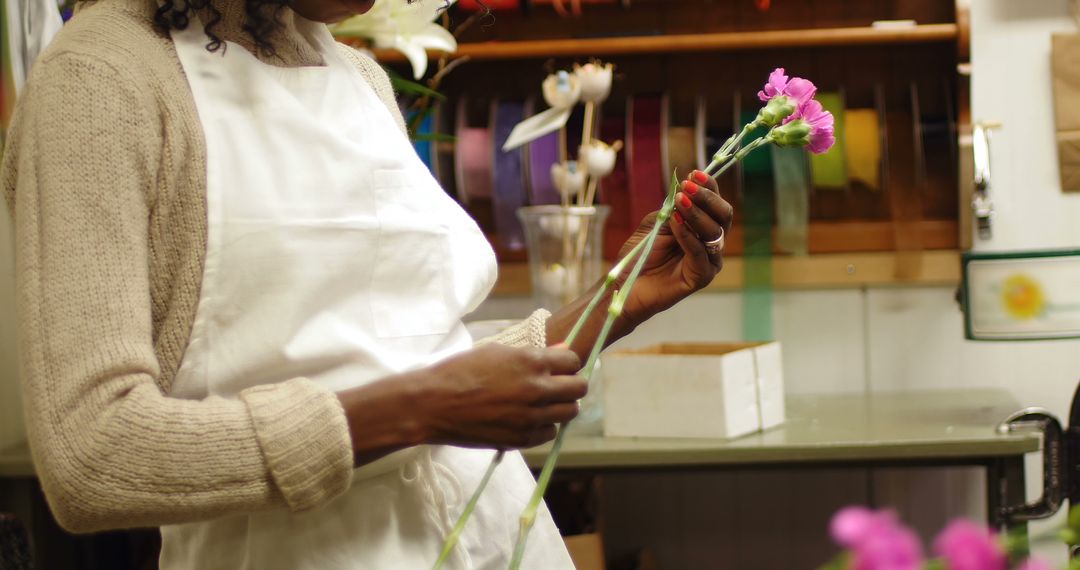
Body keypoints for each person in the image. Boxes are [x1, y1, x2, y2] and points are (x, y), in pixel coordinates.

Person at [0, 0, 734, 567]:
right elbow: (90, 453)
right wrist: (420, 411)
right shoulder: (98, 84)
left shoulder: (356, 75)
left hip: (495, 538)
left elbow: (401, 359)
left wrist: (612, 302)